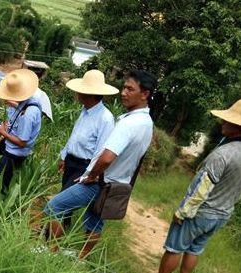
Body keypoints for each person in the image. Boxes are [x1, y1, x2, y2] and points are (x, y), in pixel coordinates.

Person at [43, 70, 157, 258]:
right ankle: (81, 258)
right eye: (124, 87)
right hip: (114, 182)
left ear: (145, 94)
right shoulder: (145, 122)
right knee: (94, 220)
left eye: (130, 89)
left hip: (100, 181)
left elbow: (106, 157)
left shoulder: (128, 124)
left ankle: (51, 252)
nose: (123, 92)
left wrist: (92, 175)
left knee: (54, 206)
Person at [143, 99, 241, 273]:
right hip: (223, 213)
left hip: (201, 212)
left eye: (227, 121)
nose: (222, 123)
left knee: (175, 247)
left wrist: (183, 211)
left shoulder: (222, 154)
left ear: (238, 127)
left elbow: (202, 188)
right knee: (195, 249)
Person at [57, 70, 117, 228]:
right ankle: (56, 241)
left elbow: (101, 151)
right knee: (65, 205)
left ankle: (50, 240)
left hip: (84, 167)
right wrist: (64, 157)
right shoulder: (84, 112)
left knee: (60, 203)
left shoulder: (105, 119)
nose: (77, 93)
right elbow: (74, 136)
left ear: (90, 93)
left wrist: (88, 174)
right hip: (71, 162)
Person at [0, 69, 42, 194]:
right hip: (12, 151)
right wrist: (15, 105)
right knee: (2, 180)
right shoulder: (29, 103)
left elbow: (22, 142)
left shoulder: (29, 113)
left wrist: (2, 132)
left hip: (15, 154)